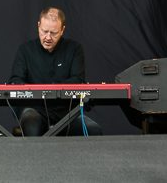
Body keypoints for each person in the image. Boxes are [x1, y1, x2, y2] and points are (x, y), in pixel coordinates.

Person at [8, 7, 103, 136]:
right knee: (31, 124)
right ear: (38, 26)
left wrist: (51, 90)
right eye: (44, 31)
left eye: (54, 33)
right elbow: (15, 81)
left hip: (66, 112)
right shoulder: (25, 50)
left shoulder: (74, 49)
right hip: (35, 109)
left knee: (94, 130)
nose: (48, 37)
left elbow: (78, 80)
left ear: (62, 30)